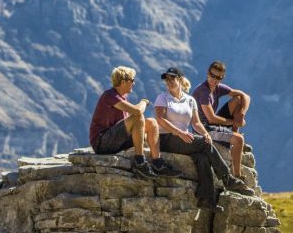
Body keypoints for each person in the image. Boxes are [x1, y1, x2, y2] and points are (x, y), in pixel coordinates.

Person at [153, 66, 255, 209]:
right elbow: (160, 120)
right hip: (166, 138)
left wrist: (205, 133)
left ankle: (206, 198)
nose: (169, 81)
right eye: (167, 79)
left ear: (181, 80)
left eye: (172, 78)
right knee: (204, 145)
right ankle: (228, 179)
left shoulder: (189, 100)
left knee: (202, 156)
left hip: (183, 139)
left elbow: (196, 122)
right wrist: (180, 132)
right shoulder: (162, 98)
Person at [88, 65, 180, 179]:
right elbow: (137, 111)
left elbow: (132, 126)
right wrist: (143, 102)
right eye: (132, 80)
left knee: (151, 122)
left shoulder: (122, 97)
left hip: (116, 140)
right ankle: (140, 162)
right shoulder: (110, 96)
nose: (134, 83)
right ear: (123, 82)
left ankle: (157, 163)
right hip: (102, 142)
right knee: (138, 116)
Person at [192, 60, 249, 178]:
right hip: (203, 129)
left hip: (213, 124)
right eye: (212, 75)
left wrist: (241, 114)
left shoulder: (218, 88)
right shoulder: (204, 91)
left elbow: (245, 96)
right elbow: (211, 118)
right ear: (207, 74)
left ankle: (232, 135)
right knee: (239, 140)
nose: (214, 80)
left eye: (218, 77)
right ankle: (236, 175)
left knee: (238, 100)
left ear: (222, 78)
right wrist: (234, 122)